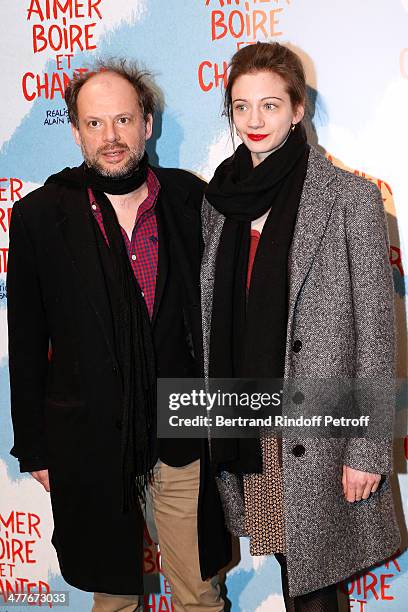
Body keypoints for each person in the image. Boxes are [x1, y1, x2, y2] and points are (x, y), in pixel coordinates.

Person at [7, 59, 230, 612]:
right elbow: (27, 342)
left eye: (123, 120)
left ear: (147, 124)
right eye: (95, 123)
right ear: (77, 130)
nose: (111, 138)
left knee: (200, 592)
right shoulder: (39, 216)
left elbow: (224, 315)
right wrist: (34, 444)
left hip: (182, 426)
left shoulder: (189, 201)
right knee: (114, 596)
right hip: (90, 435)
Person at [201, 42, 400, 610]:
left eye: (270, 105)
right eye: (241, 107)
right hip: (252, 425)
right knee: (293, 565)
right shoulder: (218, 202)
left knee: (317, 584)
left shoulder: (349, 197)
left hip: (322, 428)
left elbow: (377, 335)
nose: (254, 121)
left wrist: (366, 448)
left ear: (298, 108)